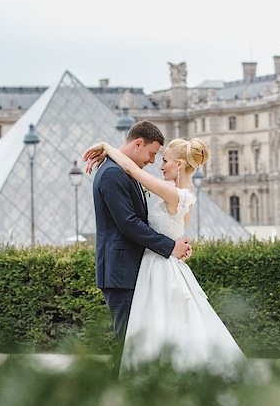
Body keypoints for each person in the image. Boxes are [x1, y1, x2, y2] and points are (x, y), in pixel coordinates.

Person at [84, 134, 248, 378]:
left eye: (165, 160)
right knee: (159, 331)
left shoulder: (176, 194)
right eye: (155, 156)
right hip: (154, 264)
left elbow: (130, 170)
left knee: (148, 334)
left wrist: (107, 146)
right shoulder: (182, 192)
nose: (157, 164)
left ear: (180, 165)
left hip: (156, 266)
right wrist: (173, 244)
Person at [90, 121, 192, 374]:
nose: (152, 160)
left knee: (134, 344)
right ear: (138, 143)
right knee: (129, 345)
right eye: (152, 153)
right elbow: (128, 224)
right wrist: (170, 246)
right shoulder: (114, 173)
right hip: (121, 272)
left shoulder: (121, 170)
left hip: (129, 269)